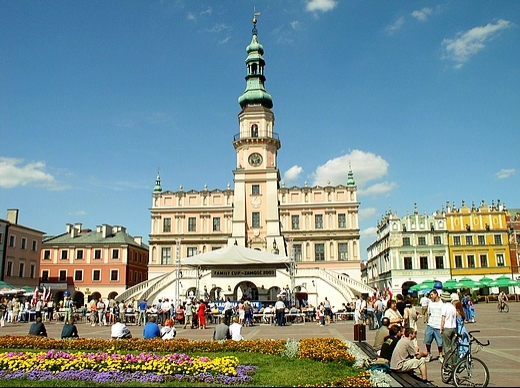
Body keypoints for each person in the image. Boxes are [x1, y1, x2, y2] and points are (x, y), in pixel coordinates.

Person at [423, 288, 443, 363]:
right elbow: (429, 312)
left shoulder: (442, 303)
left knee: (440, 342)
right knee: (427, 340)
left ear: (436, 294)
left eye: (432, 294)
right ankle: (429, 354)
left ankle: (440, 355)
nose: (431, 296)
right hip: (430, 324)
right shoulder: (430, 303)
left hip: (438, 325)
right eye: (430, 295)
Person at [440, 291, 457, 365]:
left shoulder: (444, 306)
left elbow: (443, 318)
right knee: (453, 347)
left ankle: (448, 363)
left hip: (447, 328)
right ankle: (455, 362)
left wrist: (441, 328)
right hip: (453, 327)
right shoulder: (453, 306)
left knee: (447, 347)